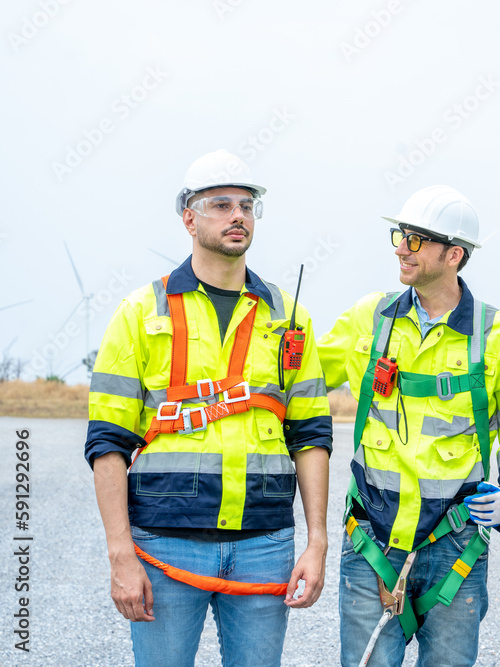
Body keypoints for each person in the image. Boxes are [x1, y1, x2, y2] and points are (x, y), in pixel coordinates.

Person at [85, 149, 332, 667]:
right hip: (165, 547)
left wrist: (317, 541)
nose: (237, 215)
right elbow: (107, 441)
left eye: (246, 204)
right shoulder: (139, 313)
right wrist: (120, 553)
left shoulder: (289, 317)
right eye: (220, 204)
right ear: (189, 217)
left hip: (265, 543)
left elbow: (310, 435)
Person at [318, 185, 500, 666]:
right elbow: (303, 375)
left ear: (454, 254)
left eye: (417, 239)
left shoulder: (496, 335)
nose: (401, 247)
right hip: (372, 538)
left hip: (455, 545)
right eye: (401, 235)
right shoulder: (371, 318)